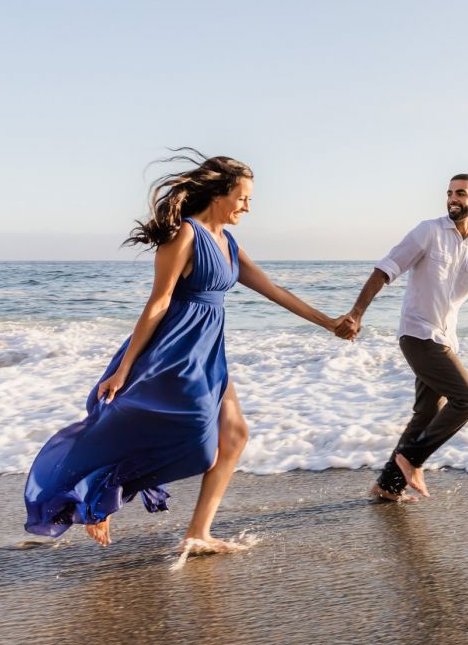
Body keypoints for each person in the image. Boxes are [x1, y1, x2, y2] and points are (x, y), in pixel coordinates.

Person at [24, 150, 355, 550]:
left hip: (208, 350)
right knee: (199, 444)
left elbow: (274, 291)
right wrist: (124, 368)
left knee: (234, 435)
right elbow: (159, 302)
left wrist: (330, 323)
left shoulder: (228, 242)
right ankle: (99, 496)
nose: (248, 206)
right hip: (173, 351)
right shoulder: (185, 234)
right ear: (219, 194)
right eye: (243, 197)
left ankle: (197, 533)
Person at [336, 173, 468, 501]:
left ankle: (387, 486)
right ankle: (413, 459)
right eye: (449, 192)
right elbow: (384, 270)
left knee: (426, 414)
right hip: (417, 333)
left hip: (446, 339)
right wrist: (357, 313)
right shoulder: (428, 232)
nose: (452, 198)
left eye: (460, 193)